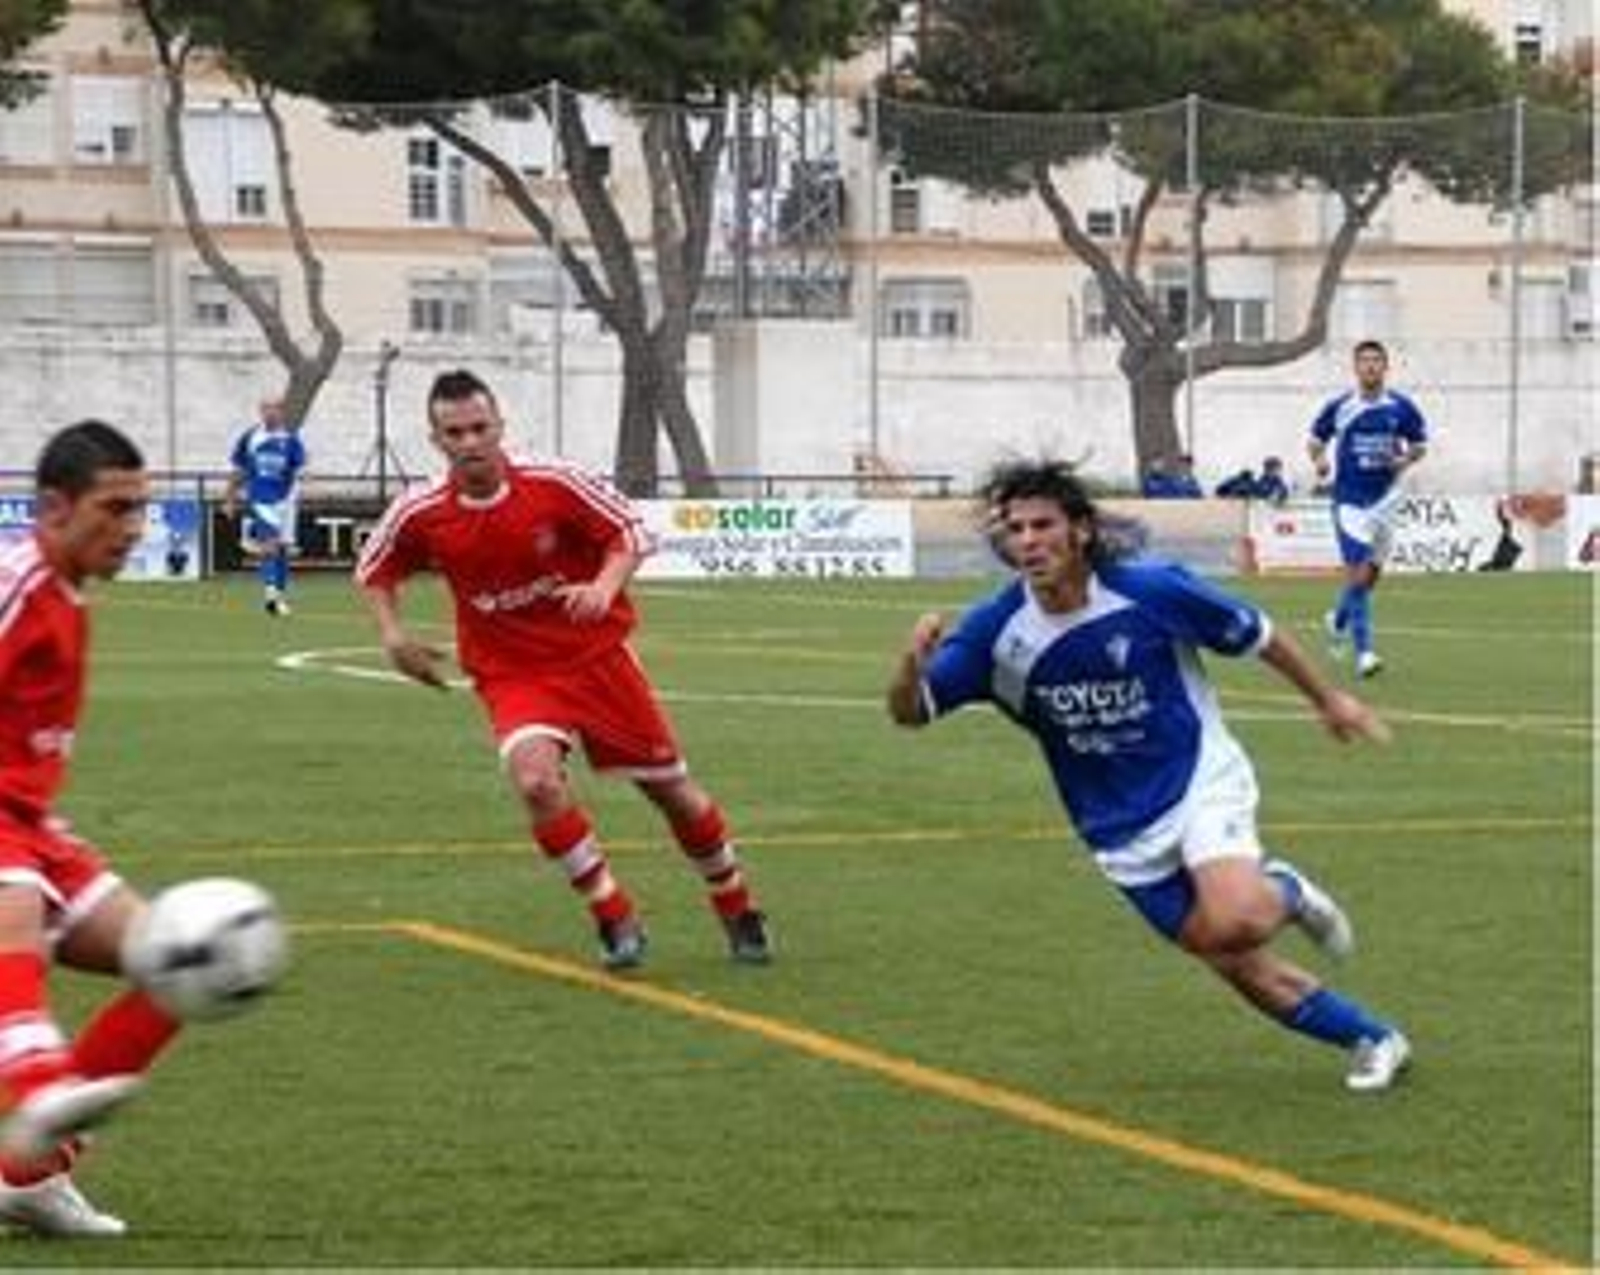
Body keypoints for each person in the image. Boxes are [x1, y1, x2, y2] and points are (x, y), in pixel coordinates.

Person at [887, 459, 1411, 1094]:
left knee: (1240, 918)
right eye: (1015, 529)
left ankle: (1286, 892)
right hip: (1115, 829)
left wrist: (1326, 698)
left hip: (1198, 778)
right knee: (1228, 954)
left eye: (1042, 525)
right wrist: (911, 669)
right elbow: (912, 715)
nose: (1027, 541)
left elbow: (1260, 635)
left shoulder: (1150, 590)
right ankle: (1373, 1038)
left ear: (1079, 530)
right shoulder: (995, 632)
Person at [355, 370, 770, 970]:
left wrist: (605, 585)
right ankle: (612, 913)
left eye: (479, 428)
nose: (470, 442)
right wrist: (393, 636)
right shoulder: (421, 511)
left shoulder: (553, 482)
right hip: (512, 674)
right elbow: (375, 567)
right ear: (436, 439)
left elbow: (629, 529)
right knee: (536, 783)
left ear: (500, 427)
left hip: (594, 658)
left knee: (671, 793)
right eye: (455, 432)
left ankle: (735, 903)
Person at [0, 421, 189, 1235]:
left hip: (34, 823)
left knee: (184, 961)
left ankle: (31, 1172)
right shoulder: (17, 583)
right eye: (116, 508)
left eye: (141, 509)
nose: (134, 529)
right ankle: (41, 1086)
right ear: (54, 505)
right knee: (15, 906)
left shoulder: (69, 589)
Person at [1307, 341, 1428, 677]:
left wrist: (1403, 459)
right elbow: (1315, 441)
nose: (1371, 366)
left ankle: (1338, 618)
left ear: (1386, 367)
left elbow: (1420, 446)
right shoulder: (1341, 406)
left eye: (1377, 361)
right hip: (1349, 502)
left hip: (1386, 501)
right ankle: (1365, 654)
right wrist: (1319, 463)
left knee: (1370, 577)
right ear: (1356, 368)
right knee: (1357, 571)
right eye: (1365, 361)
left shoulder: (1401, 407)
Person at [225, 396, 307, 617]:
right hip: (261, 499)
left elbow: (299, 472)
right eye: (265, 408)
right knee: (269, 545)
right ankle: (270, 596)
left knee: (282, 549)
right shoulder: (250, 437)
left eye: (274, 408)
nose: (269, 412)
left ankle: (279, 596)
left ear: (281, 411)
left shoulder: (291, 440)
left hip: (286, 500)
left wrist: (296, 498)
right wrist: (230, 498)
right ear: (260, 411)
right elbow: (238, 470)